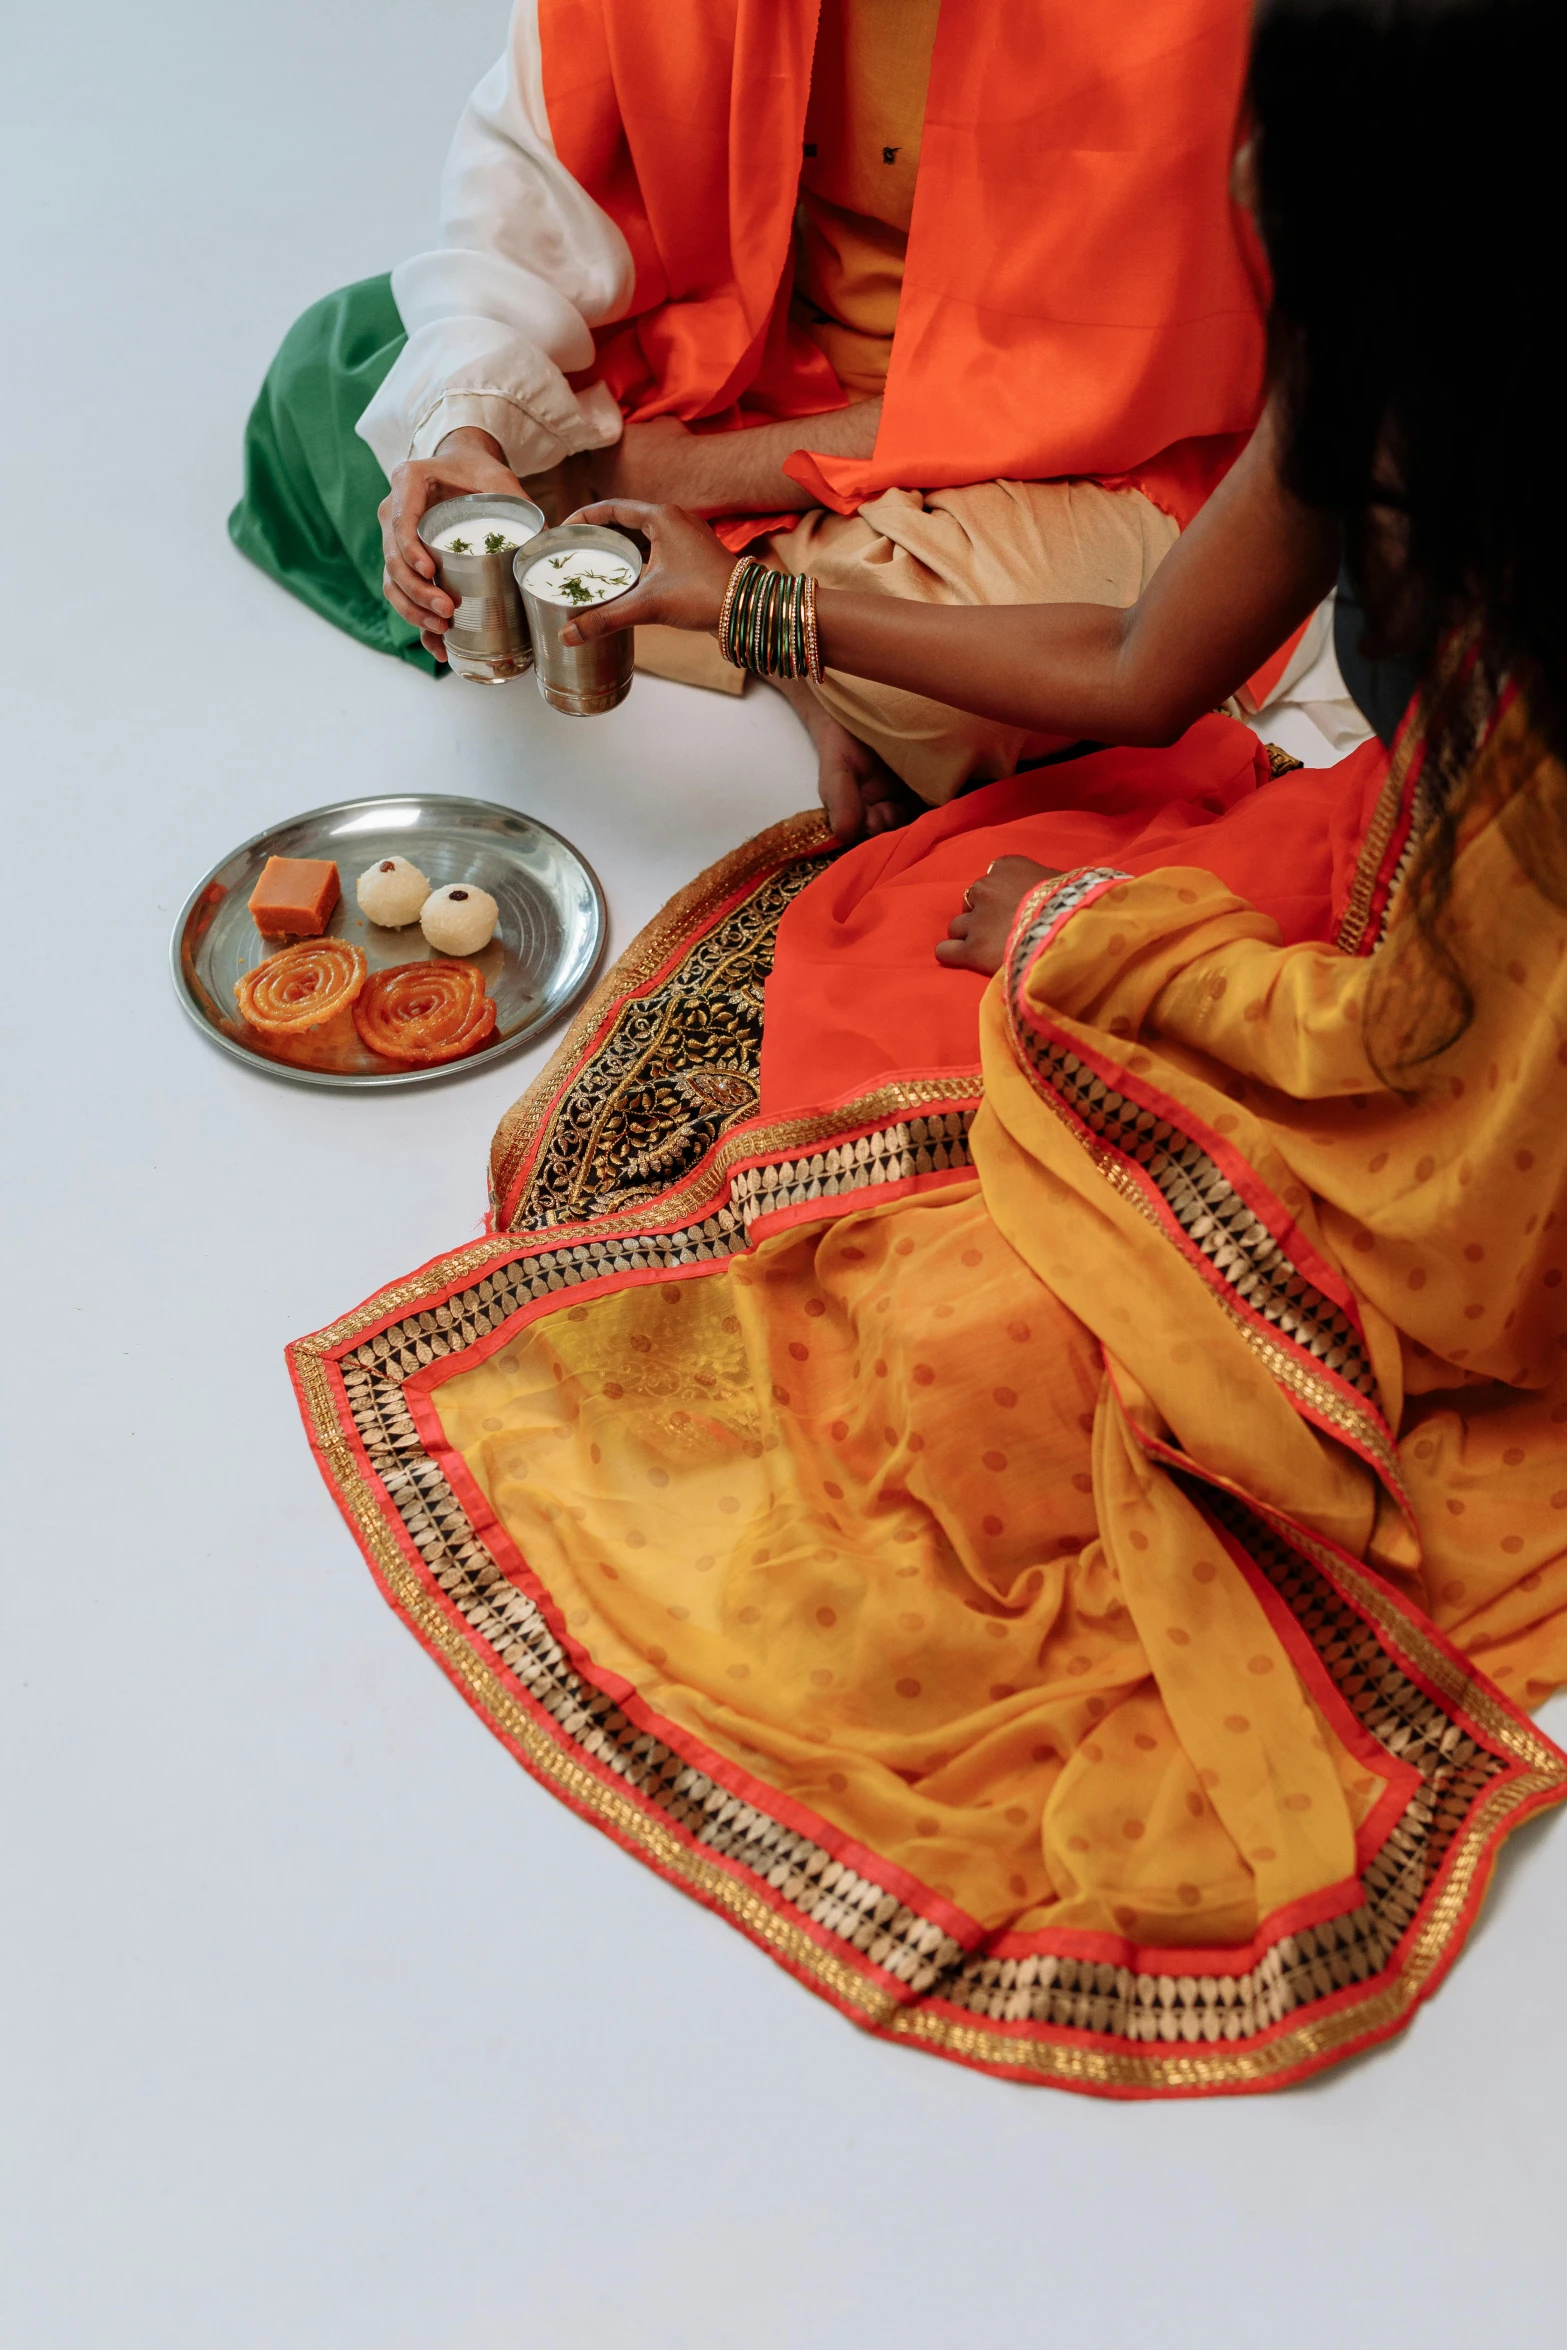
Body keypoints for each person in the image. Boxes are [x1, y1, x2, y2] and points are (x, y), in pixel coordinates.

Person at [291, 0, 1567, 2095]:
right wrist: (763, 606)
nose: (1232, 193)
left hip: (1474, 1037)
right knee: (345, 405)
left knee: (983, 1347)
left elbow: (1465, 1064)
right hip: (1370, 856)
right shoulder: (1365, 345)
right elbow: (1153, 665)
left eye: (1278, 160)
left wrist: (1101, 939)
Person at [230, 0, 1269, 836]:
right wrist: (465, 434)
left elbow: (1103, 384)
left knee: (975, 677)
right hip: (759, 357)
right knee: (347, 370)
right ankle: (785, 638)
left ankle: (707, 576)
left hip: (1056, 453)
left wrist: (692, 476)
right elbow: (534, 195)